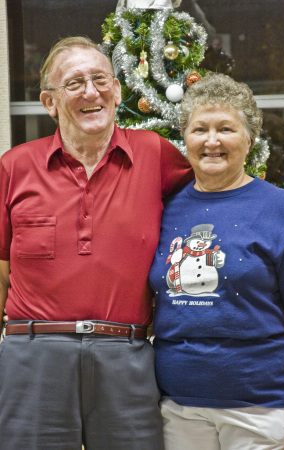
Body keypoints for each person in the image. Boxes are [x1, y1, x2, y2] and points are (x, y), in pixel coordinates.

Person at [0, 36, 193, 450]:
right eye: (74, 84)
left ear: (117, 90)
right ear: (49, 102)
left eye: (100, 79)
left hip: (125, 354)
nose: (91, 92)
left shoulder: (155, 154)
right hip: (33, 356)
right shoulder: (14, 166)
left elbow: (209, 203)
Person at [149, 73, 284, 450]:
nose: (212, 141)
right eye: (200, 129)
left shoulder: (278, 206)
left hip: (260, 409)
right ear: (185, 139)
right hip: (178, 407)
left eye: (226, 129)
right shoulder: (166, 207)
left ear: (249, 140)